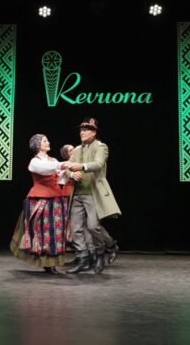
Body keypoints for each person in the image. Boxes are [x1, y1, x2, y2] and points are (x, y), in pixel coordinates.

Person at [66, 117, 121, 275]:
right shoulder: (77, 149)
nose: (82, 133)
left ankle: (100, 253)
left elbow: (98, 163)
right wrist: (71, 173)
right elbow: (67, 167)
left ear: (94, 133)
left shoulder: (100, 147)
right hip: (77, 194)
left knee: (93, 227)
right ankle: (82, 258)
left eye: (85, 130)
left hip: (92, 193)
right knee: (76, 228)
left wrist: (81, 166)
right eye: (81, 130)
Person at [10, 134, 69, 274]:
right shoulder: (35, 162)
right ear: (37, 145)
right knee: (42, 231)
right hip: (39, 199)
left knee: (55, 232)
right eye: (44, 141)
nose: (48, 142)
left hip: (55, 199)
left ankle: (52, 262)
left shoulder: (53, 160)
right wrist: (62, 165)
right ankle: (45, 262)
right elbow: (45, 169)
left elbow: (59, 178)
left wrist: (69, 172)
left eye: (47, 140)